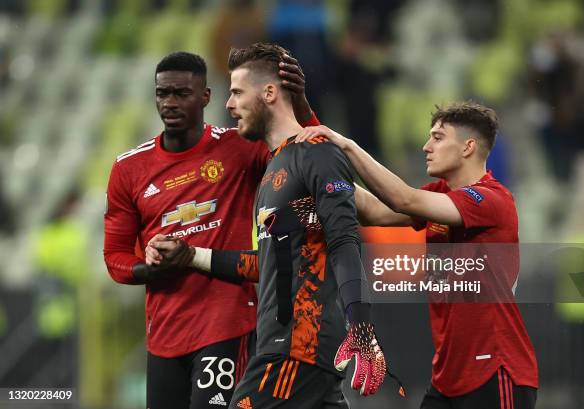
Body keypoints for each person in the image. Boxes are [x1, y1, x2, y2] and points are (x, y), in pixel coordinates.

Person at [145, 43, 388, 409]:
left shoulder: (315, 153)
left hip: (295, 350)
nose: (228, 105)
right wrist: (191, 255)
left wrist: (362, 323)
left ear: (270, 93)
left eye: (238, 92)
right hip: (291, 351)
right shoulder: (275, 167)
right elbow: (268, 265)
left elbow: (343, 240)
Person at [103, 51, 319, 409]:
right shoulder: (129, 169)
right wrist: (150, 267)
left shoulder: (239, 147)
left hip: (228, 324)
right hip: (164, 336)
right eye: (162, 93)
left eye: (181, 94)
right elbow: (115, 258)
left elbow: (309, 156)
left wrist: (301, 103)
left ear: (205, 97)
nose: (169, 103)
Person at [294, 102, 539, 409]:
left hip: (495, 369)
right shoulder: (441, 194)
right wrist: (321, 161)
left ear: (468, 147)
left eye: (438, 137)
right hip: (448, 377)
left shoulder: (492, 200)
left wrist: (346, 145)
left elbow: (402, 199)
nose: (426, 146)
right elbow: (374, 211)